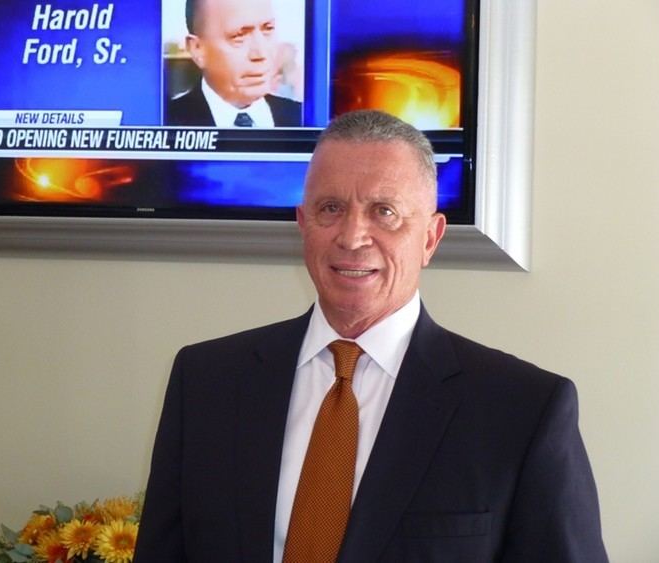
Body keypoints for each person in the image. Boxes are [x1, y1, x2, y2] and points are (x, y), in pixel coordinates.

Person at [133, 110, 608, 562]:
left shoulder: (522, 411)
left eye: (384, 212)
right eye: (331, 208)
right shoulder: (206, 383)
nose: (353, 236)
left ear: (430, 238)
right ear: (303, 225)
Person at [167, 0, 302, 127]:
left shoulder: (302, 119)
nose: (260, 54)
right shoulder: (167, 121)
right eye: (239, 36)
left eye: (267, 29)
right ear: (198, 49)